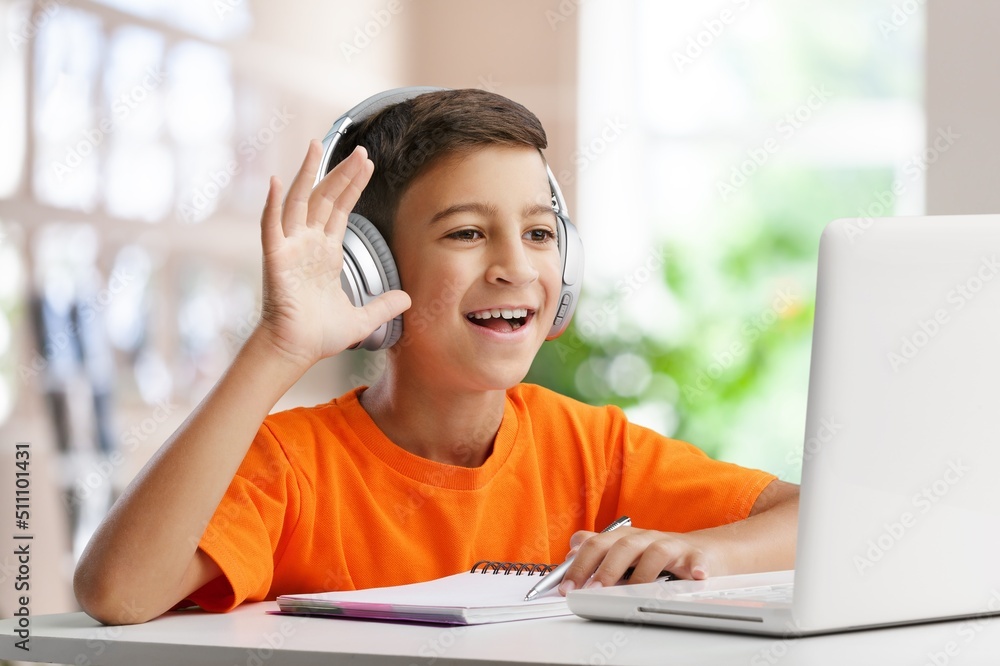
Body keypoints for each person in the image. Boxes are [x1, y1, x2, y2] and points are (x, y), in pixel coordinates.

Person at [73, 88, 798, 625]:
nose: (516, 266)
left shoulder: (591, 450)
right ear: (375, 268)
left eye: (541, 234)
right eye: (466, 234)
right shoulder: (293, 468)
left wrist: (707, 556)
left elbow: (819, 519)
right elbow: (119, 592)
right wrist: (277, 347)